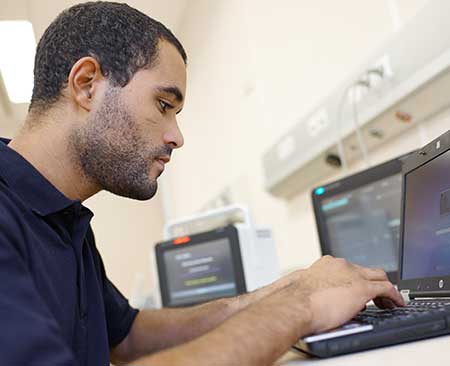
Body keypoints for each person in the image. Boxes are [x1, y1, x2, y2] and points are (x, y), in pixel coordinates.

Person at [0, 2, 405, 365]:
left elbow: (127, 338)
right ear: (87, 83)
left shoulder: (63, 217)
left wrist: (289, 288)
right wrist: (301, 308)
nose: (177, 137)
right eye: (163, 105)